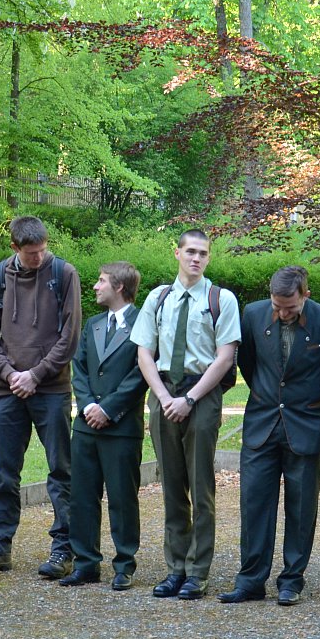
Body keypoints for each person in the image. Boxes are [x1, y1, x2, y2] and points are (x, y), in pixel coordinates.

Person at [218, 266, 320, 606]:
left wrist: (312, 408)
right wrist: (270, 399)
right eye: (277, 306)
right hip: (261, 423)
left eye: (290, 307)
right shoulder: (253, 314)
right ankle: (250, 580)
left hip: (307, 425)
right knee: (254, 504)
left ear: (306, 295)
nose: (283, 313)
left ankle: (292, 580)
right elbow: (248, 364)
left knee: (302, 508)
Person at [131, 229, 240, 601]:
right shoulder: (158, 297)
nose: (196, 258)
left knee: (201, 485)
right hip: (164, 392)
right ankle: (175, 567)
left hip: (202, 394)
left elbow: (224, 357)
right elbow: (144, 353)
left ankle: (197, 571)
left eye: (203, 253)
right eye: (190, 251)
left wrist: (190, 399)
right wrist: (164, 398)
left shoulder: (220, 299)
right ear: (177, 253)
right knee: (172, 486)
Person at [0, 216, 82, 578]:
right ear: (15, 248)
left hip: (51, 389)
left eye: (43, 250)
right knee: (5, 474)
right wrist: (10, 374)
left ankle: (64, 550)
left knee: (61, 472)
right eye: (31, 253)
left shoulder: (64, 274)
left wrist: (36, 374)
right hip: (7, 391)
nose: (39, 257)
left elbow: (70, 335)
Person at [57, 262, 149, 590]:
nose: (95, 286)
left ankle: (124, 565)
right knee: (82, 497)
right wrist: (88, 406)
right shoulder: (93, 324)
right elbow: (79, 367)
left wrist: (108, 409)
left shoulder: (144, 324)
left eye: (101, 281)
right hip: (86, 426)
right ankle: (85, 564)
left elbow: (141, 373)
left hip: (121, 428)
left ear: (119, 287)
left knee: (123, 499)